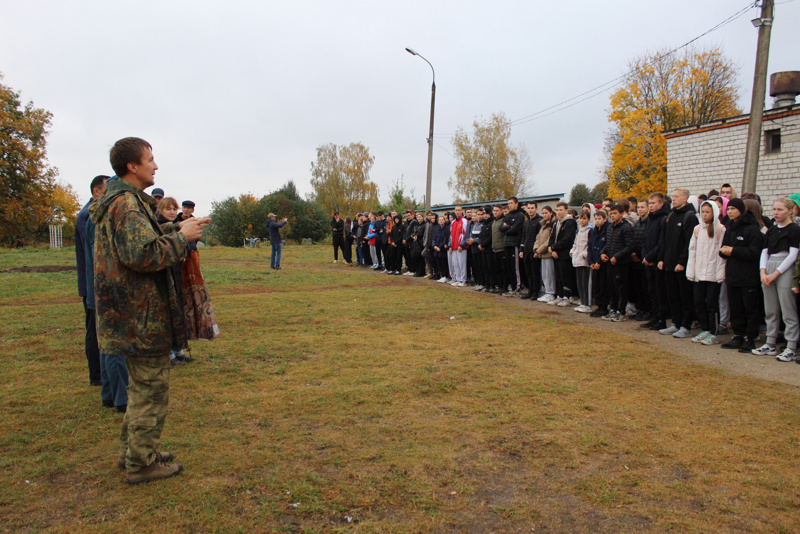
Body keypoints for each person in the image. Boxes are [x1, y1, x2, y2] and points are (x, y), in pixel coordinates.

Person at [91, 137, 209, 485]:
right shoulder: (125, 204)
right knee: (150, 388)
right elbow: (141, 255)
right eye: (150, 159)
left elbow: (139, 242)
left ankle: (136, 450)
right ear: (133, 166)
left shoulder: (122, 201)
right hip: (139, 315)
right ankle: (142, 463)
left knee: (141, 387)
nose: (155, 165)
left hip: (130, 312)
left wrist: (175, 228)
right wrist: (181, 237)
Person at [86, 179, 130, 410]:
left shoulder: (91, 214)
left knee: (107, 344)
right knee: (113, 345)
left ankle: (109, 394)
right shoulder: (97, 216)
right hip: (107, 290)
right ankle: (121, 397)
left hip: (98, 290)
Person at [754, 198, 800, 361]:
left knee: (788, 309)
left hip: (784, 267)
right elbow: (764, 252)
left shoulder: (794, 229)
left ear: (789, 211)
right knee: (771, 309)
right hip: (769, 266)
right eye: (774, 209)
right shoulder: (771, 230)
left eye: (780, 209)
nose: (776, 212)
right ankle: (770, 342)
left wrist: (776, 273)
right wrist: (763, 272)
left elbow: (793, 254)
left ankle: (791, 346)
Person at [75, 175, 108, 387]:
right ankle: (97, 375)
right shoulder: (89, 215)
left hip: (92, 282)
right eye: (108, 189)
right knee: (94, 331)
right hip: (92, 284)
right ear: (97, 192)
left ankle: (99, 375)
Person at [719, 198, 763, 352]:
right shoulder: (730, 228)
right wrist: (723, 251)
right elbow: (725, 248)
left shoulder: (752, 229)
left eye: (733, 208)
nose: (729, 212)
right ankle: (738, 335)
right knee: (735, 308)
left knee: (749, 308)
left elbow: (755, 252)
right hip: (733, 275)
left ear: (741, 209)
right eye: (728, 209)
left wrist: (734, 250)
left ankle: (750, 338)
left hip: (748, 277)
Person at [658, 189, 698, 338]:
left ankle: (685, 326)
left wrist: (682, 262)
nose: (673, 199)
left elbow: (689, 243)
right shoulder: (670, 216)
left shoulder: (690, 217)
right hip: (668, 263)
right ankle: (675, 323)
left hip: (681, 266)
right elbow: (664, 240)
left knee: (685, 296)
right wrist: (661, 258)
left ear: (685, 198)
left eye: (677, 197)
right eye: (673, 196)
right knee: (672, 296)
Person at [686, 200, 727, 345]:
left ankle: (714, 332)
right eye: (702, 212)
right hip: (699, 273)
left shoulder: (720, 229)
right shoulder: (697, 229)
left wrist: (720, 274)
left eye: (708, 212)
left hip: (713, 274)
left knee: (711, 303)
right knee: (699, 302)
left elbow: (721, 255)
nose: (704, 215)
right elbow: (692, 251)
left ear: (714, 213)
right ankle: (705, 329)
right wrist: (692, 271)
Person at [640, 193, 671, 331]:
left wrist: (651, 257)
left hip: (657, 261)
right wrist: (645, 256)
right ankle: (654, 316)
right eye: (650, 203)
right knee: (651, 291)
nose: (651, 205)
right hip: (648, 261)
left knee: (659, 293)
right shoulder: (650, 220)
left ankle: (661, 319)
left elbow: (662, 242)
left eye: (653, 203)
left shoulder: (664, 219)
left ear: (661, 204)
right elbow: (644, 240)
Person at [600, 205, 634, 322]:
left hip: (621, 264)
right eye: (611, 213)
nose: (612, 216)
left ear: (621, 213)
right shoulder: (610, 227)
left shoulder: (626, 227)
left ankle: (621, 311)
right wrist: (603, 253)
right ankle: (613, 309)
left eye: (615, 213)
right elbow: (608, 243)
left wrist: (617, 257)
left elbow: (630, 246)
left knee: (621, 288)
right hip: (610, 263)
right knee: (611, 287)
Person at [549, 202, 577, 306]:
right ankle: (559, 295)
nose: (559, 212)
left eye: (561, 210)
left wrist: (554, 247)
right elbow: (552, 237)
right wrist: (552, 248)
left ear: (566, 211)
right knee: (558, 276)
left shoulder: (569, 223)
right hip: (556, 254)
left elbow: (567, 239)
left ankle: (566, 296)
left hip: (565, 254)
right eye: (557, 210)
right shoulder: (557, 223)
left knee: (566, 276)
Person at [499, 197, 525, 297]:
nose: (510, 205)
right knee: (508, 266)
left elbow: (515, 229)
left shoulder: (520, 215)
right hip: (506, 243)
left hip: (515, 243)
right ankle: (512, 286)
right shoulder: (508, 215)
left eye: (511, 203)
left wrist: (508, 227)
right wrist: (508, 227)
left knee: (515, 267)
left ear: (516, 204)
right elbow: (501, 228)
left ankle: (517, 287)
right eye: (508, 203)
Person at [588, 210, 610, 317]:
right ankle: (599, 306)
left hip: (603, 263)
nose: (597, 221)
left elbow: (606, 247)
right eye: (595, 219)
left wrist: (599, 262)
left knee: (603, 286)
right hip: (594, 262)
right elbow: (590, 246)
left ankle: (604, 307)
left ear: (605, 219)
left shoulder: (608, 230)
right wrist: (591, 261)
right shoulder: (593, 231)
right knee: (596, 286)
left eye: (599, 219)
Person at [570, 210, 592, 313]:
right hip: (577, 259)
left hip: (584, 260)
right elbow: (575, 243)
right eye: (580, 218)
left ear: (588, 219)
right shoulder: (579, 231)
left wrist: (584, 254)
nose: (582, 221)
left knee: (585, 283)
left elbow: (589, 245)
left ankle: (587, 303)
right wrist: (573, 251)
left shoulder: (590, 231)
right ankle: (582, 302)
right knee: (579, 283)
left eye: (584, 218)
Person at [519, 202, 541, 299]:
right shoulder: (526, 222)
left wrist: (537, 250)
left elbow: (540, 238)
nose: (530, 210)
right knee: (528, 272)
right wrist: (521, 250)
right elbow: (523, 237)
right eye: (529, 208)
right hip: (526, 250)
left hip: (534, 251)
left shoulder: (539, 221)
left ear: (536, 209)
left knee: (535, 272)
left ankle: (536, 292)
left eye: (532, 208)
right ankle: (530, 291)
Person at [535, 207, 556, 302]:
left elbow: (549, 240)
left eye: (546, 213)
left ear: (551, 213)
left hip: (548, 253)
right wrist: (536, 249)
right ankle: (547, 291)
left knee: (549, 274)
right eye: (543, 213)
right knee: (544, 274)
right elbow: (538, 237)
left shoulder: (553, 225)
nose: (544, 215)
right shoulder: (544, 225)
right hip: (541, 253)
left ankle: (551, 292)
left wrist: (541, 249)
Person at [449, 206, 470, 286]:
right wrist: (450, 245)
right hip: (454, 247)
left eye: (459, 210)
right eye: (456, 210)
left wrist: (462, 245)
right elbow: (451, 235)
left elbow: (466, 234)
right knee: (455, 264)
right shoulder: (453, 222)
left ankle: (463, 280)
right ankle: (458, 279)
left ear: (462, 211)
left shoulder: (464, 221)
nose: (457, 212)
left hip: (461, 247)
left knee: (462, 264)